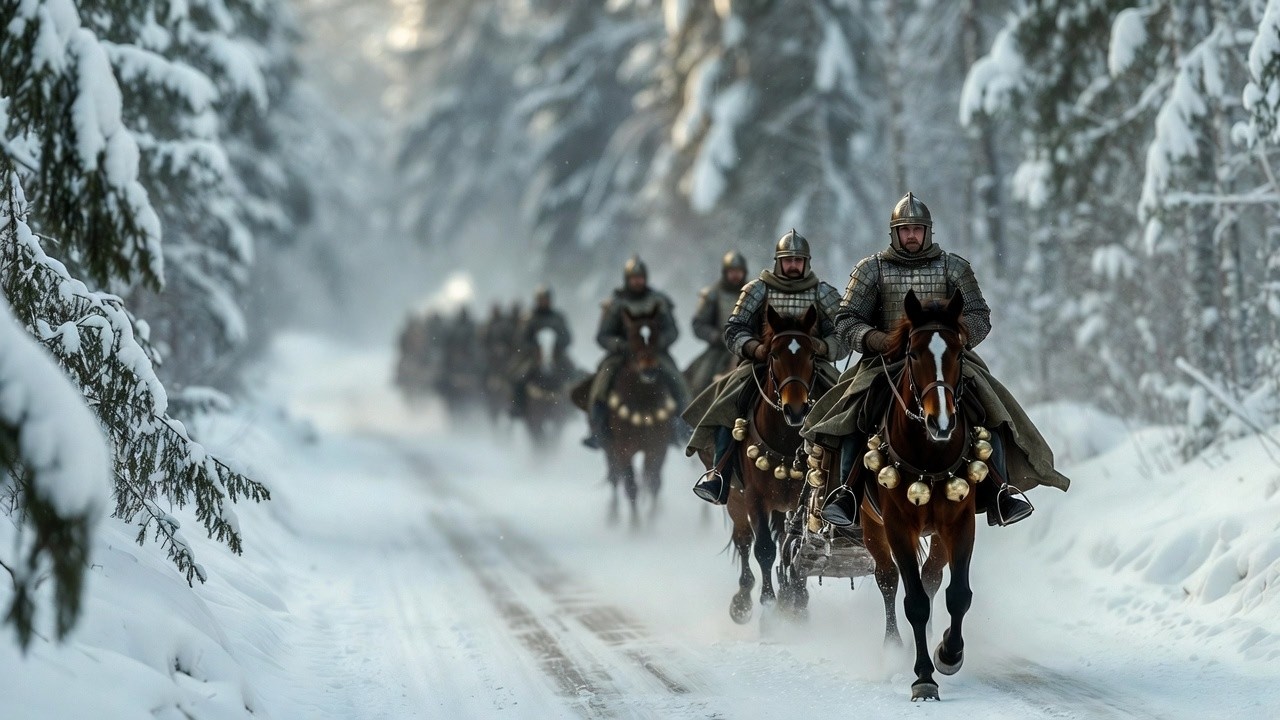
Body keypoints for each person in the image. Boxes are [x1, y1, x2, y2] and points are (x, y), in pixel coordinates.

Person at [805, 192, 1069, 529]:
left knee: (992, 409)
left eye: (917, 229)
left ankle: (1001, 490)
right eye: (905, 230)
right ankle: (846, 493)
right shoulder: (871, 270)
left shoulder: (954, 267)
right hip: (884, 360)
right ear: (894, 233)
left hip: (945, 357)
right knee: (852, 414)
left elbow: (978, 314)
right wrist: (878, 340)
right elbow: (846, 321)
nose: (911, 235)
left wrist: (956, 337)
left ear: (928, 231)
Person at [686, 230, 851, 505]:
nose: (794, 265)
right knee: (728, 404)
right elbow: (734, 329)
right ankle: (719, 474)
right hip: (762, 364)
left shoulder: (823, 293)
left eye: (799, 260)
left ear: (807, 262)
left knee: (844, 405)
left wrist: (821, 347)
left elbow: (842, 334)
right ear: (778, 261)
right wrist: (755, 348)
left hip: (812, 365)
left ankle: (845, 485)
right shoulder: (757, 289)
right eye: (788, 260)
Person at [582, 256, 691, 449]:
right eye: (634, 278)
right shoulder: (616, 303)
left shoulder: (658, 301)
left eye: (640, 277)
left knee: (678, 380)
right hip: (623, 355)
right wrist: (621, 345)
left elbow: (672, 330)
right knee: (601, 382)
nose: (637, 281)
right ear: (627, 279)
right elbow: (603, 335)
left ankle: (683, 426)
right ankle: (597, 430)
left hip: (655, 353)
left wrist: (658, 343)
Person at [685, 251, 749, 396]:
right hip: (719, 348)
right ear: (725, 272)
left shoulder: (754, 292)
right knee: (699, 383)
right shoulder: (713, 294)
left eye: (738, 271)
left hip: (749, 346)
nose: (735, 275)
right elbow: (698, 324)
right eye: (732, 271)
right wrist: (716, 336)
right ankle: (695, 416)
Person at [509, 286, 573, 417]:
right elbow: (521, 339)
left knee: (573, 375)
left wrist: (557, 346)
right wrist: (534, 349)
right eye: (541, 299)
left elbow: (567, 337)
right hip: (534, 357)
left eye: (546, 299)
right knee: (517, 377)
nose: (544, 301)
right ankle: (518, 408)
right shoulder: (529, 318)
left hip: (556, 357)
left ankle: (571, 409)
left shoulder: (558, 317)